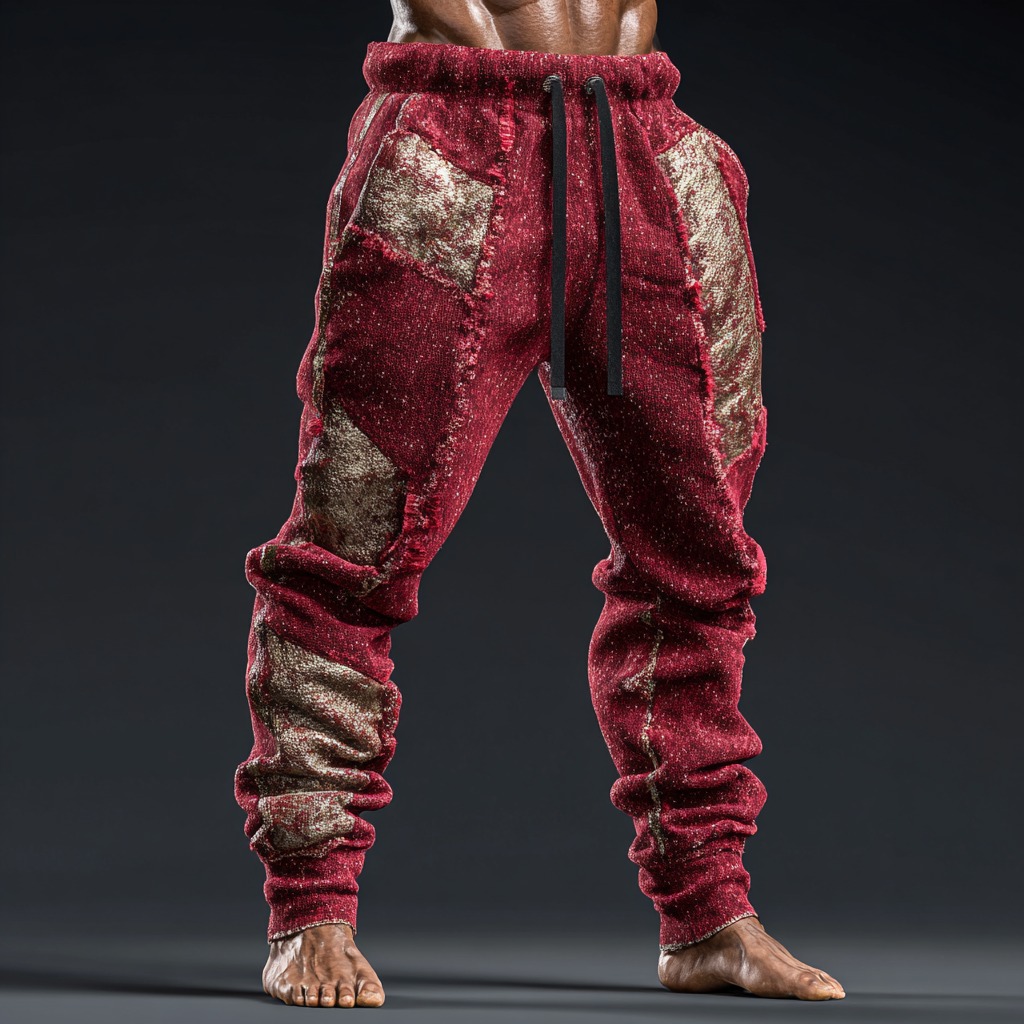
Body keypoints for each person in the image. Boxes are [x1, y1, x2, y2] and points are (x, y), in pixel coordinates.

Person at [234, 0, 846, 1007]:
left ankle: (708, 914)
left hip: (649, 141)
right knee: (353, 547)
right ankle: (311, 909)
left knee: (701, 560)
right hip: (454, 142)